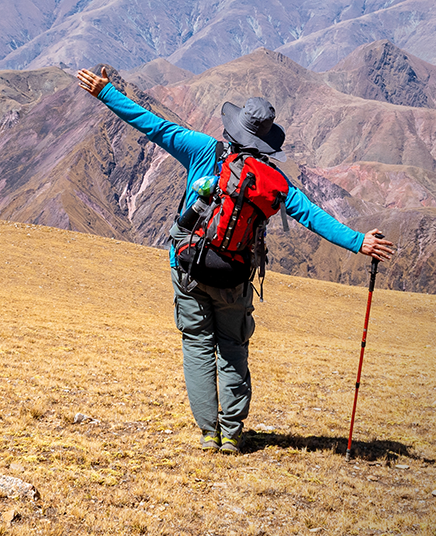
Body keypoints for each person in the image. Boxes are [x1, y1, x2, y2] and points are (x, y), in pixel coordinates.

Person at [78, 66, 395, 454]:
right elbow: (313, 216)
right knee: (232, 347)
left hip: (189, 264)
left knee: (197, 343)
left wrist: (105, 92)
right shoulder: (275, 183)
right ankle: (231, 434)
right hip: (235, 274)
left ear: (232, 128)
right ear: (266, 143)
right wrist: (359, 241)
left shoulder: (201, 149)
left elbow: (152, 126)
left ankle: (208, 434)